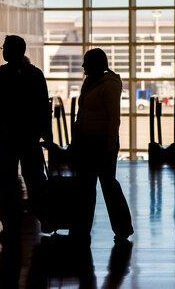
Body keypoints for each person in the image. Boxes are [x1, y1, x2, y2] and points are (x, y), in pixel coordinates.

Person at [0, 35, 52, 242]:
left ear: (10, 51)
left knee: (6, 181)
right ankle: (44, 216)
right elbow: (42, 107)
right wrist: (46, 134)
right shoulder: (35, 74)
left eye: (4, 47)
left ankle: (10, 225)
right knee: (35, 178)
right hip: (29, 136)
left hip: (5, 137)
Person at [70, 48, 133, 244]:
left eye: (86, 62)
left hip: (100, 142)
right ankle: (117, 228)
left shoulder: (109, 85)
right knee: (92, 187)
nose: (83, 66)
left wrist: (110, 144)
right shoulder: (91, 82)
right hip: (87, 142)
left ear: (95, 64)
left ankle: (115, 228)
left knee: (103, 186)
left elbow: (114, 118)